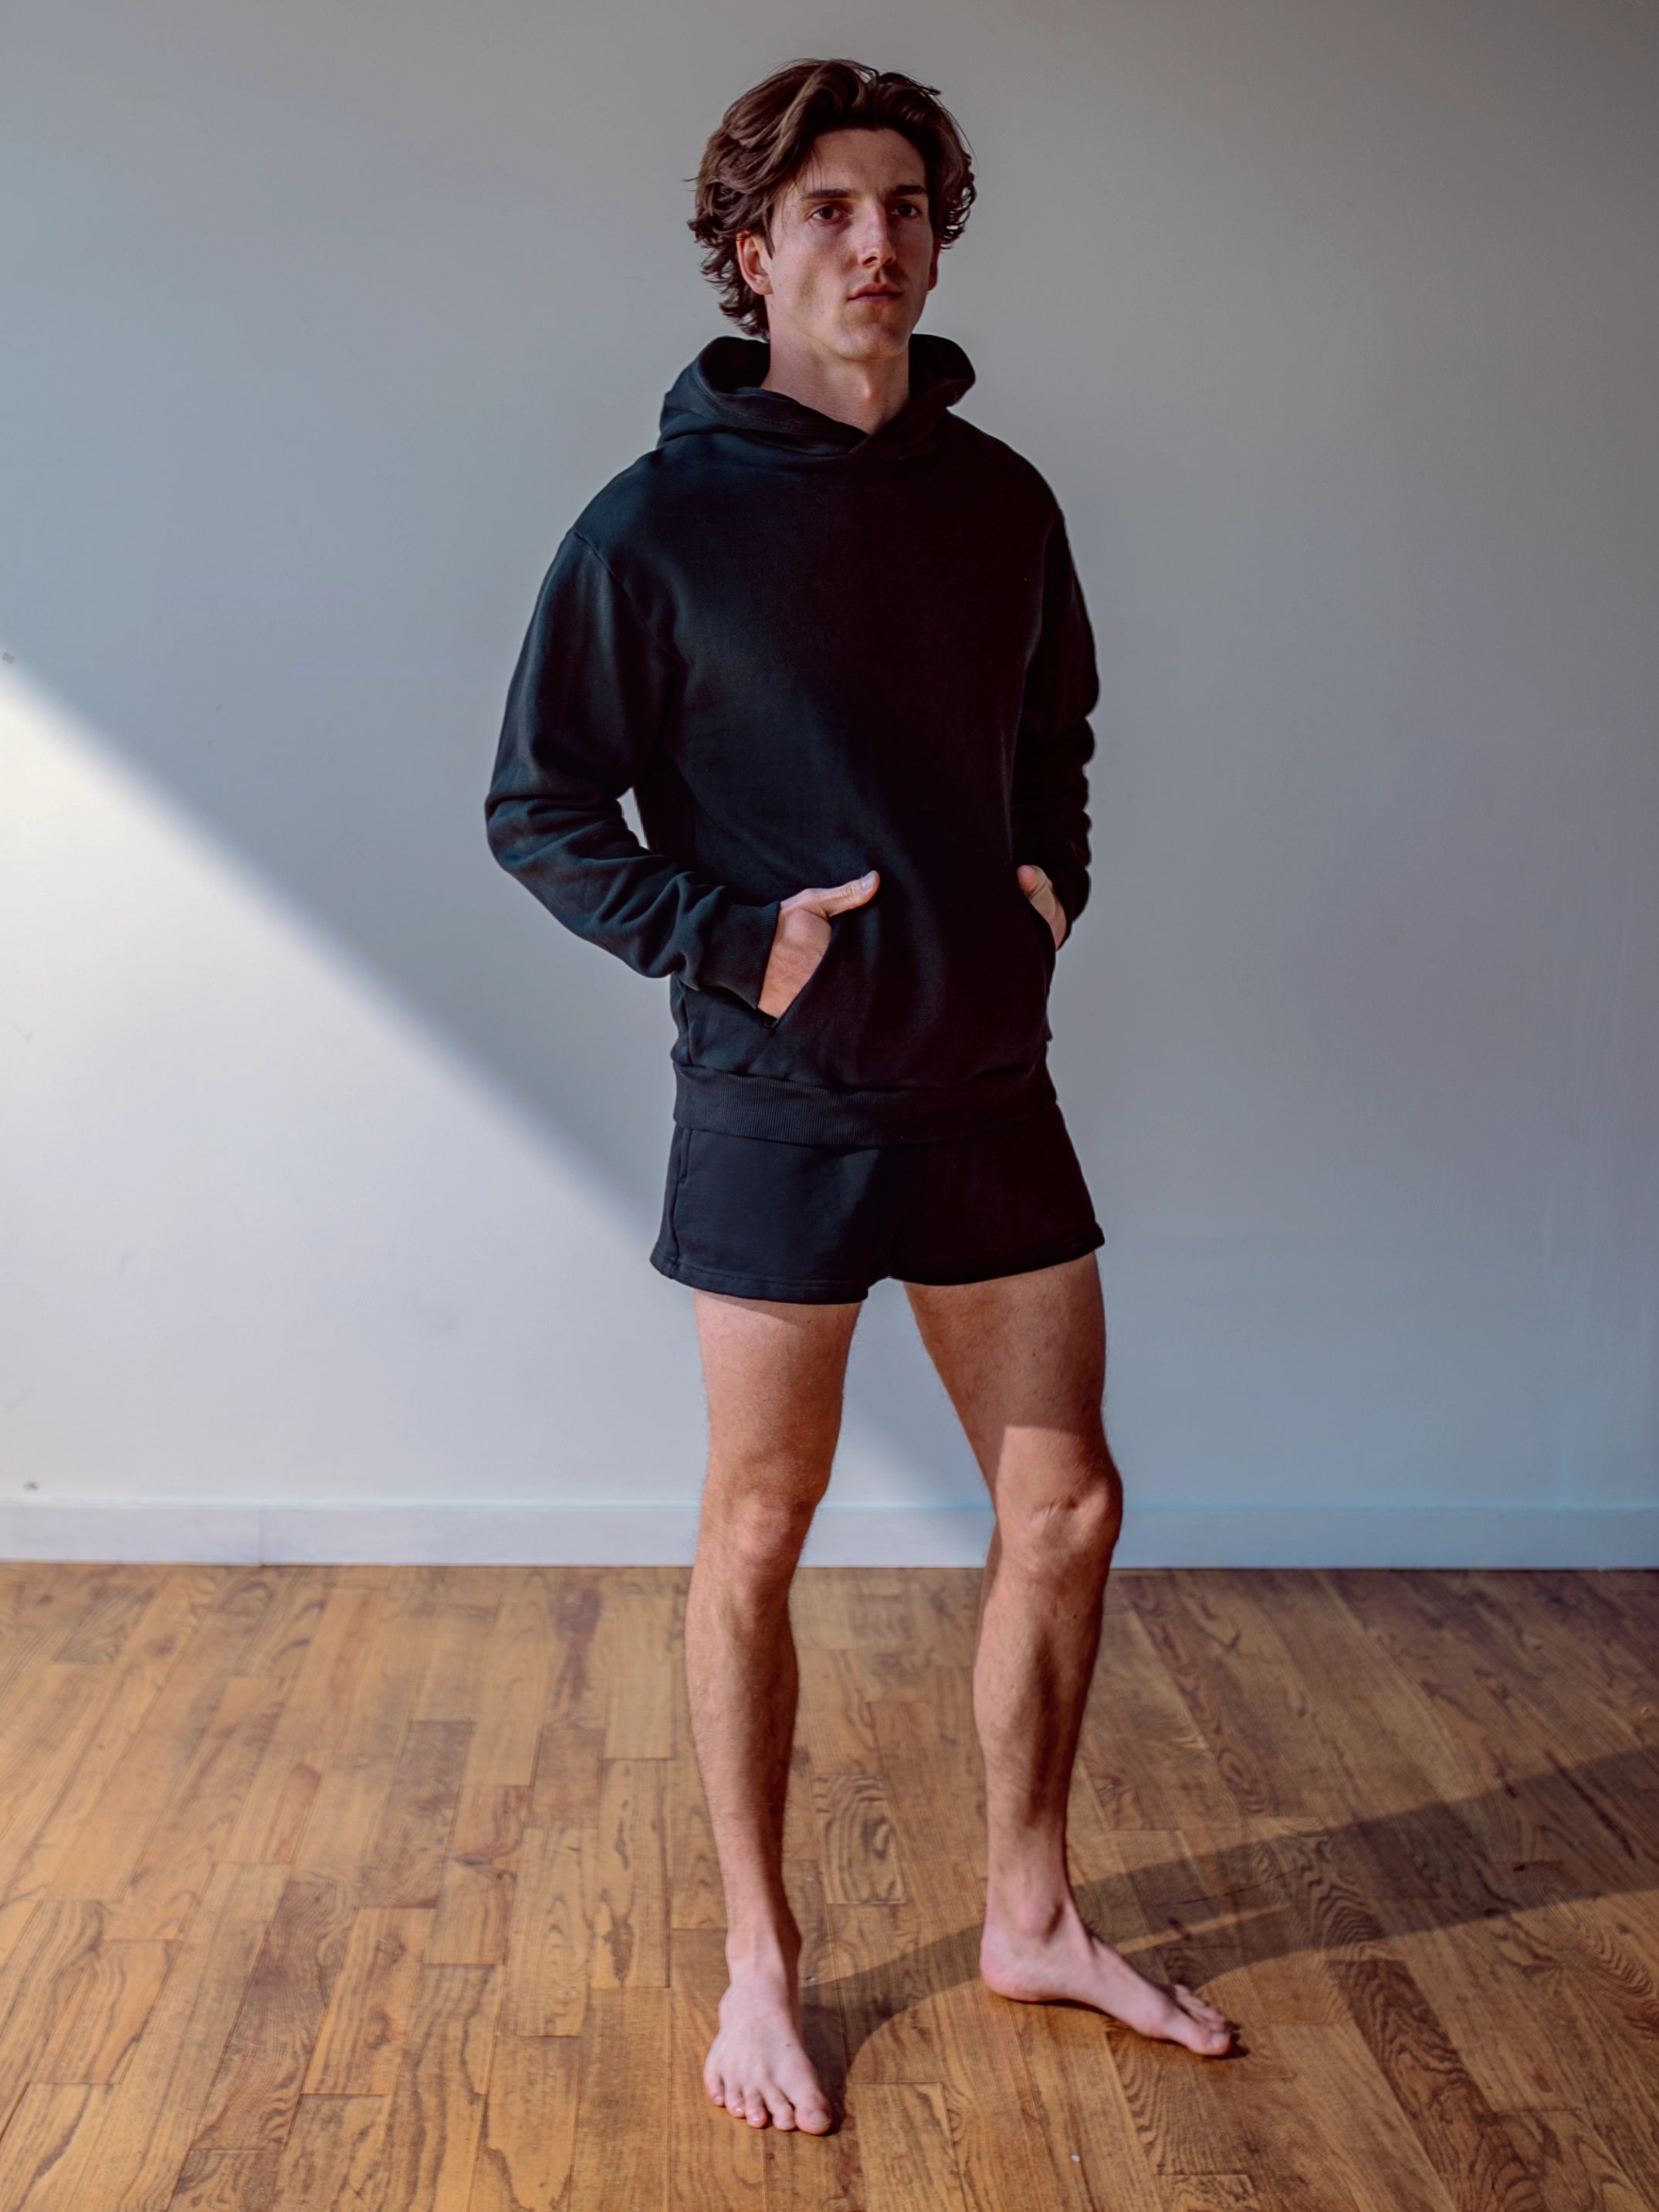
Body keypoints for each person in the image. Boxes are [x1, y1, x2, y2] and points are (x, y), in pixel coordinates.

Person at [486, 56, 1234, 2135]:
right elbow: (535, 807)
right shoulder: (653, 528)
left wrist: (1044, 885)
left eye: (902, 204)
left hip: (989, 1078)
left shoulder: (1003, 502)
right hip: (779, 1094)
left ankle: (1028, 1911)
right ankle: (761, 1961)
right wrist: (734, 941)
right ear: (752, 254)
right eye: (825, 208)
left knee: (1068, 1499)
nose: (873, 241)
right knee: (760, 1521)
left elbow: (1057, 725)